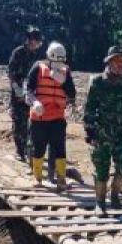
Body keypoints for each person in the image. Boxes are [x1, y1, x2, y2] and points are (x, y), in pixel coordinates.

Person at [83, 46, 122, 214]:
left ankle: (115, 194)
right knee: (101, 169)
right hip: (102, 133)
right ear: (109, 62)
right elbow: (89, 109)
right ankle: (100, 203)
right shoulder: (98, 82)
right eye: (116, 60)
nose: (120, 64)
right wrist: (90, 131)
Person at [25, 41, 77, 191]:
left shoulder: (66, 71)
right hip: (39, 117)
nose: (58, 65)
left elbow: (72, 94)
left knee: (60, 149)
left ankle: (61, 179)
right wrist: (35, 102)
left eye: (61, 62)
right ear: (49, 57)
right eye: (55, 62)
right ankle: (37, 178)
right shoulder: (38, 67)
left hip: (58, 118)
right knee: (38, 148)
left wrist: (64, 82)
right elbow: (28, 90)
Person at [6, 26, 43, 161]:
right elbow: (11, 73)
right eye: (36, 41)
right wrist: (18, 90)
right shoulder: (18, 53)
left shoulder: (38, 56)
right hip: (19, 93)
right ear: (30, 40)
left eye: (38, 42)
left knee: (32, 122)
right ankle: (20, 151)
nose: (37, 44)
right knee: (19, 121)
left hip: (32, 93)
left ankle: (29, 150)